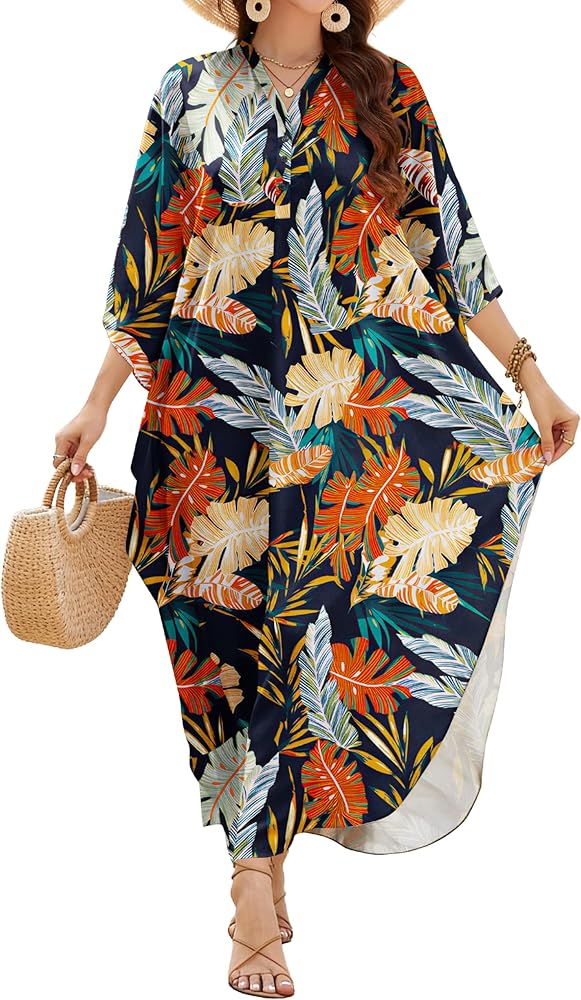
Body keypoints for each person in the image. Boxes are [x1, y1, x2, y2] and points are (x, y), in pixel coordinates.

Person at [52, 0, 578, 995]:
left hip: (349, 428)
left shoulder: (387, 90)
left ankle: (252, 880)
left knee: (313, 636)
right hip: (212, 419)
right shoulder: (187, 90)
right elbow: (149, 264)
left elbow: (450, 253)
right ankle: (261, 855)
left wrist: (531, 380)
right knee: (232, 643)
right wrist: (94, 405)